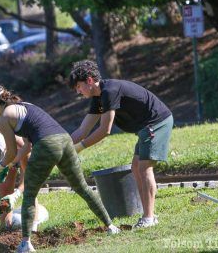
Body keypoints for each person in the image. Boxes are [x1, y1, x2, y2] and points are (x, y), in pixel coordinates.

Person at [0, 84, 119, 253]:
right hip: (65, 140)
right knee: (82, 187)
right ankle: (110, 226)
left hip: (46, 145)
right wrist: (9, 164)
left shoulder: (4, 119)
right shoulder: (24, 106)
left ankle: (25, 244)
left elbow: (12, 152)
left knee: (30, 194)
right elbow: (26, 147)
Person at [68, 60, 174, 229]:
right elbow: (82, 130)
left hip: (156, 122)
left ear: (89, 80)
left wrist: (79, 148)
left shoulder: (110, 91)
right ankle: (149, 215)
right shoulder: (98, 98)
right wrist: (61, 146)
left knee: (144, 168)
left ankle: (148, 217)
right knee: (136, 167)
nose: (78, 91)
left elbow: (105, 130)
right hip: (145, 127)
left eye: (78, 87)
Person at [0, 123, 48, 231]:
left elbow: (27, 179)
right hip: (10, 153)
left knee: (30, 192)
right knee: (5, 192)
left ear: (6, 149)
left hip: (26, 149)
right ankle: (5, 230)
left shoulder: (23, 145)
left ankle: (33, 230)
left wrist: (15, 195)